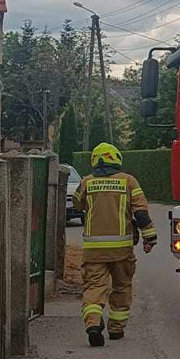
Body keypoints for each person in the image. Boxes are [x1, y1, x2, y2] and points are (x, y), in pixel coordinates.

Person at [73, 143, 157, 347]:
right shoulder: (129, 181)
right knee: (122, 287)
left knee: (94, 287)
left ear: (94, 160)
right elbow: (141, 214)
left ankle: (93, 324)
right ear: (117, 159)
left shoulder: (86, 182)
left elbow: (77, 204)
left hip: (94, 251)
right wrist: (150, 238)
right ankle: (116, 329)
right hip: (122, 250)